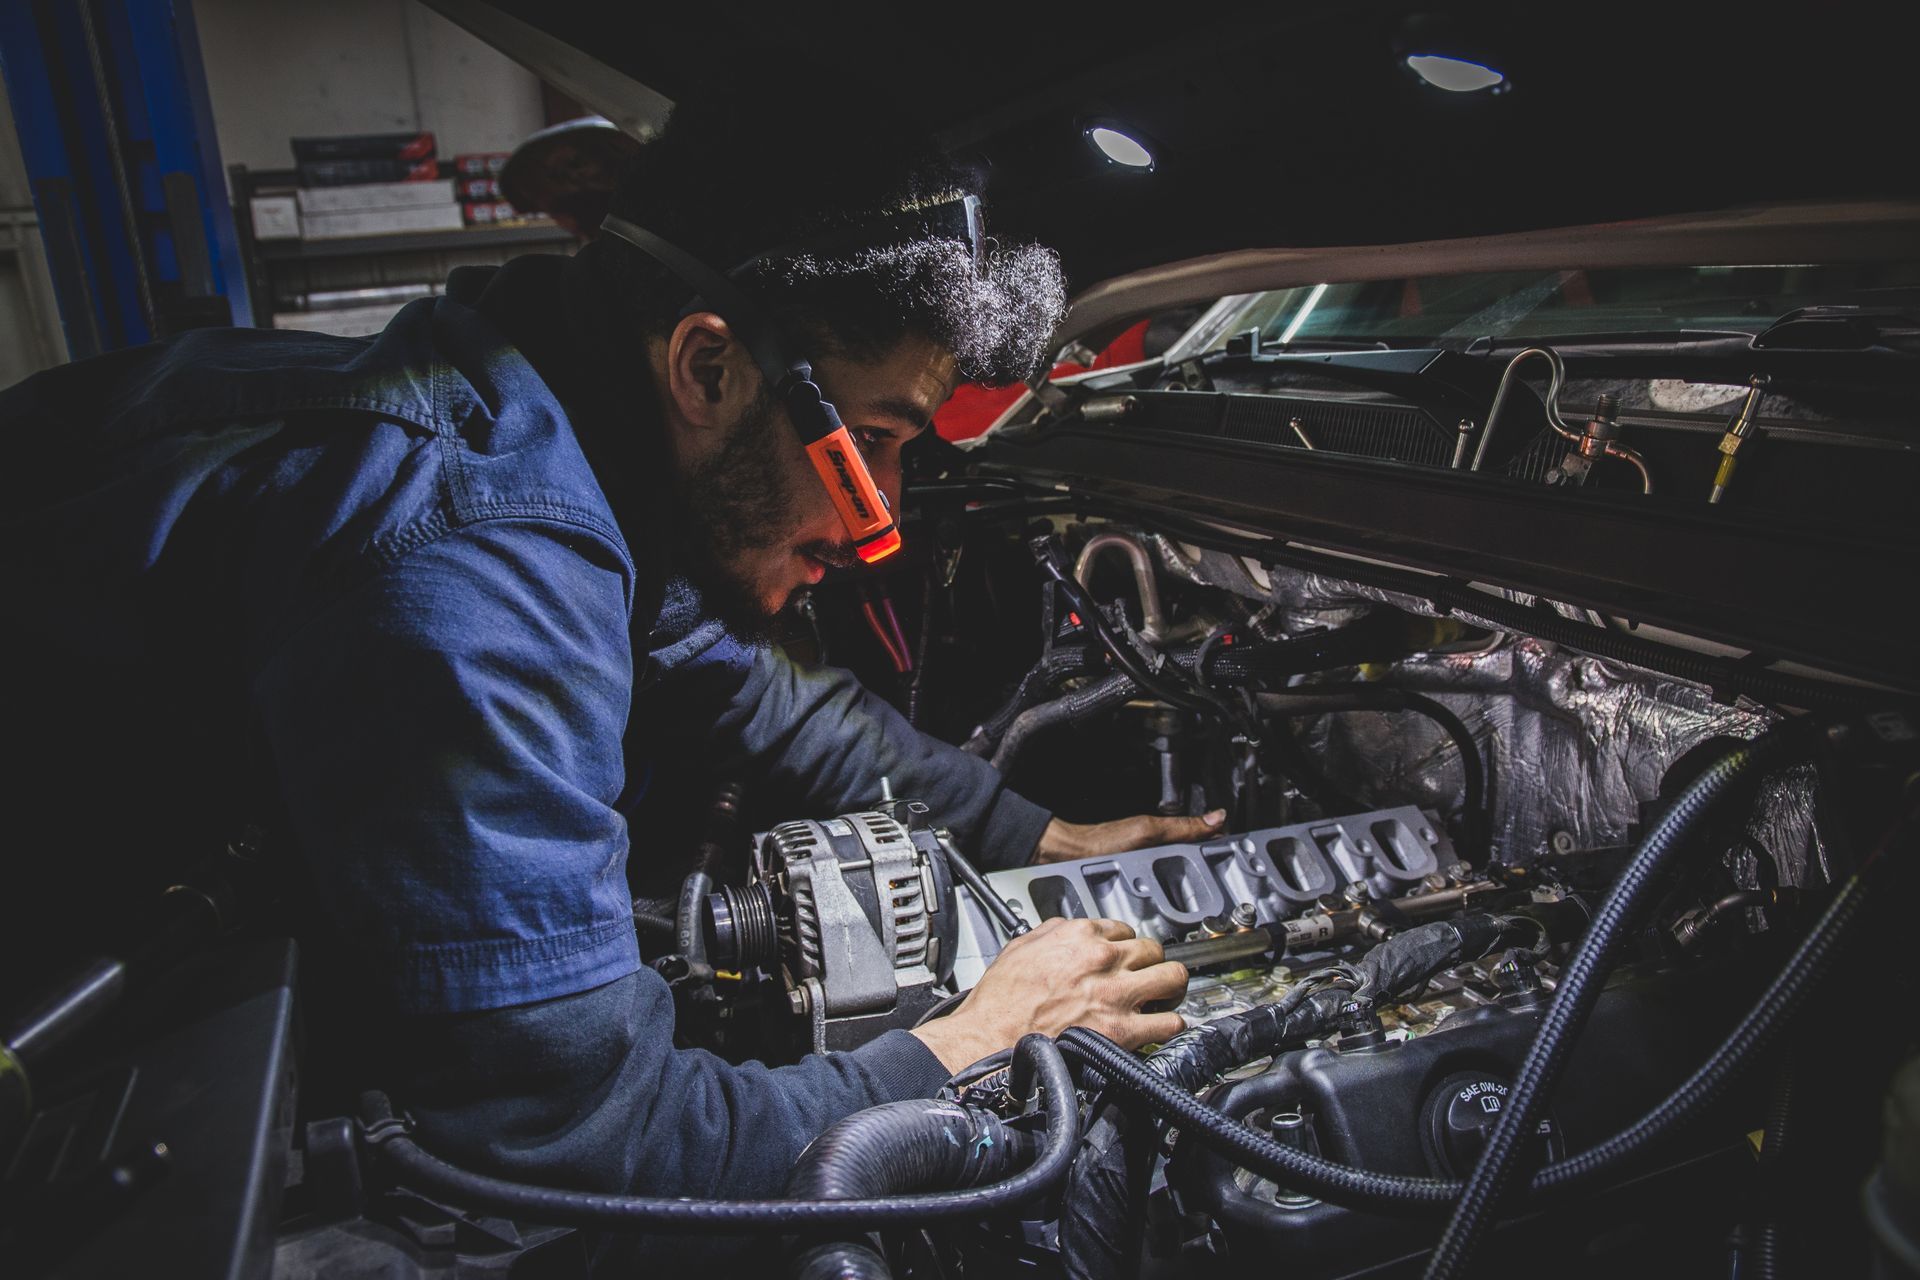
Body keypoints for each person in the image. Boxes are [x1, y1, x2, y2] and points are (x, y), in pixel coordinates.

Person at [0, 89, 1224, 1251]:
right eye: (879, 444)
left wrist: (1039, 831)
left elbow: (757, 695)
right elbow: (582, 1139)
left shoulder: (559, 416)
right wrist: (978, 1037)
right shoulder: (476, 566)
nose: (878, 524)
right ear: (707, 368)